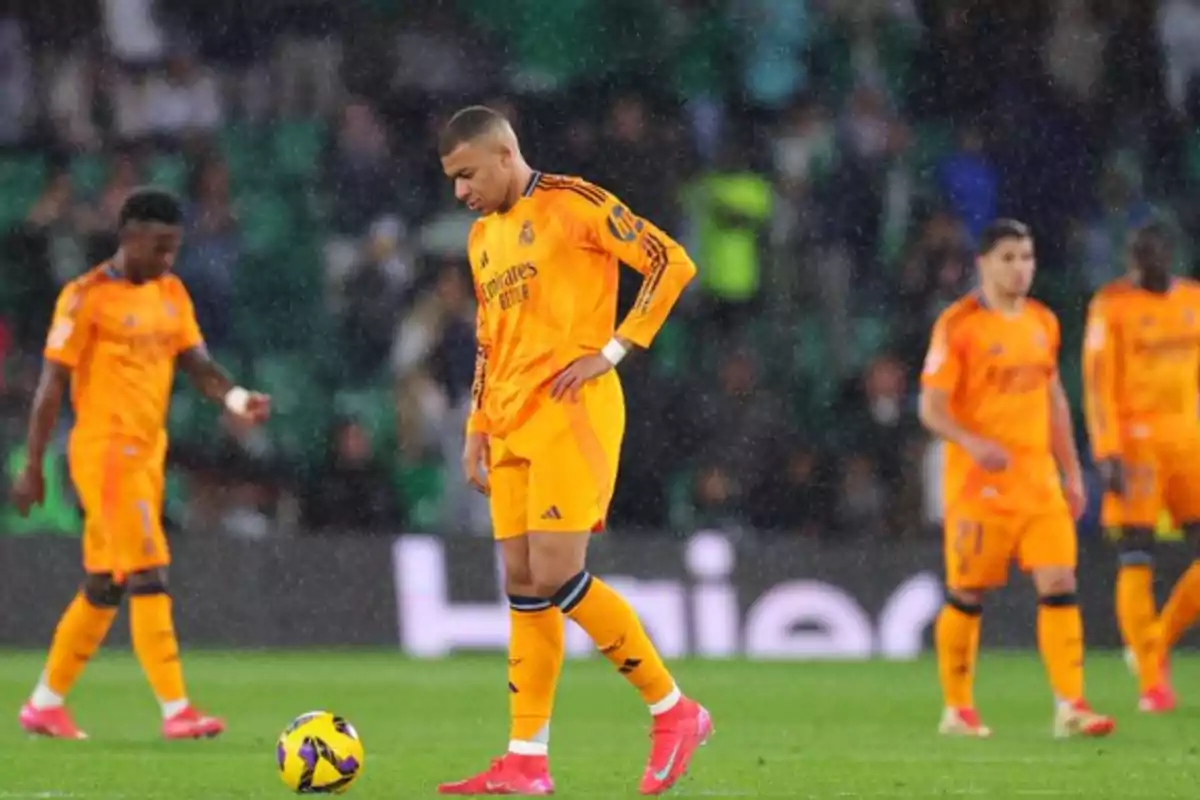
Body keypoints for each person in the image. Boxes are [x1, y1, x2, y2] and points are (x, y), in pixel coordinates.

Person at [435, 106, 707, 796]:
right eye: (453, 180)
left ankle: (674, 710)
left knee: (557, 572)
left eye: (467, 175)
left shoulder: (575, 203)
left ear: (503, 153)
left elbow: (669, 261)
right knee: (524, 584)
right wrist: (477, 425)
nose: (460, 191)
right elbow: (489, 338)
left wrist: (614, 350)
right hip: (510, 422)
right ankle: (526, 759)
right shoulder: (481, 239)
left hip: (571, 411)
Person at [11, 187, 271, 740]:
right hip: (105, 452)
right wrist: (32, 465)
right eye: (158, 247)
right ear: (128, 238)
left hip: (148, 453)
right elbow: (51, 384)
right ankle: (177, 709)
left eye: (174, 248)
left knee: (106, 583)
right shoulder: (84, 298)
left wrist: (235, 398)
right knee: (149, 569)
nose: (167, 260)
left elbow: (197, 364)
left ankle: (45, 703)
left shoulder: (171, 292)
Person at [918, 219, 1115, 739]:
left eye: (1027, 257)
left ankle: (1071, 704)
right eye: (1009, 257)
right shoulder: (958, 325)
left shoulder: (1043, 322)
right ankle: (958, 708)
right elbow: (931, 409)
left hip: (1038, 482)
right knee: (967, 592)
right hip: (978, 487)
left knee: (1059, 582)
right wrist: (974, 442)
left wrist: (1073, 471)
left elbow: (1053, 401)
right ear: (983, 263)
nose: (1021, 267)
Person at [1083, 220, 1200, 713]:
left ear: (1168, 254)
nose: (1142, 262)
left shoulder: (1193, 300)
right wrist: (1105, 448)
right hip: (1135, 445)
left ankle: (1154, 639)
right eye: (1135, 253)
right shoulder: (1111, 305)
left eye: (1150, 252)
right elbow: (1097, 381)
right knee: (1136, 553)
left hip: (1190, 441)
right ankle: (1152, 681)